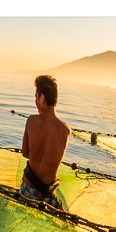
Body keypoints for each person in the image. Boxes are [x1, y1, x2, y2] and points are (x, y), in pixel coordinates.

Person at [20, 75, 70, 210]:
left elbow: (25, 153)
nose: (35, 102)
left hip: (27, 191)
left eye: (36, 98)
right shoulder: (66, 130)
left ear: (42, 98)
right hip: (47, 197)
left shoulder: (31, 120)